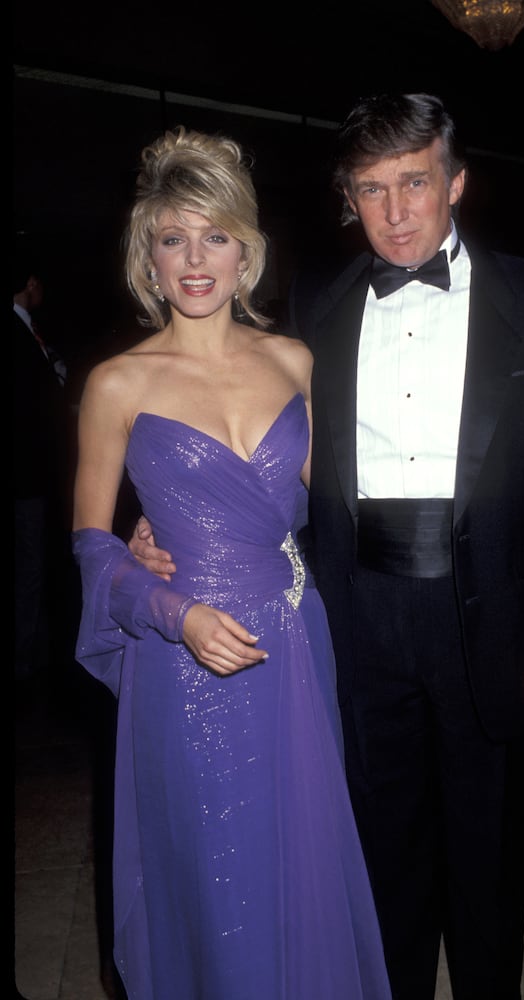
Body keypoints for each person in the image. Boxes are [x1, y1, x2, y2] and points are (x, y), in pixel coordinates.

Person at [130, 95, 524, 1000]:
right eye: (371, 189)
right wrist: (169, 520)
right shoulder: (321, 298)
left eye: (414, 183)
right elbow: (257, 438)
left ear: (455, 183)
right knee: (381, 849)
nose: (394, 211)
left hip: (494, 612)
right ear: (349, 198)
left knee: (491, 851)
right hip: (355, 613)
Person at [71, 125, 391, 1000]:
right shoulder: (117, 383)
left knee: (299, 858)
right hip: (184, 659)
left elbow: (341, 503)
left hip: (293, 639)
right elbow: (92, 546)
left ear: (247, 252)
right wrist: (173, 611)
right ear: (148, 258)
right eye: (172, 238)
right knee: (210, 873)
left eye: (215, 236)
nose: (195, 259)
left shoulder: (296, 361)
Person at [14, 244, 71, 691]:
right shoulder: (19, 335)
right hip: (24, 474)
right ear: (30, 284)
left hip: (31, 472)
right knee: (28, 567)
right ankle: (24, 660)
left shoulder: (31, 331)